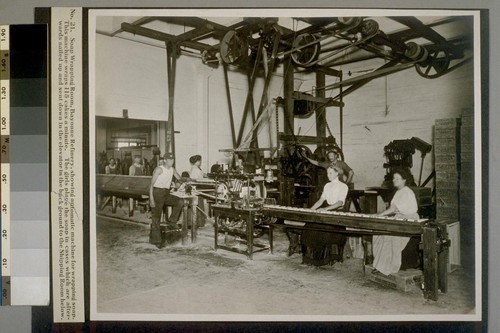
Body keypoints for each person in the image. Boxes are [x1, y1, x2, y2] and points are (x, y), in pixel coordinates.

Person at [293, 166, 349, 265]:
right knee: (309, 227)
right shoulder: (327, 185)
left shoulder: (343, 186)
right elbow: (320, 201)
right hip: (326, 211)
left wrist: (325, 209)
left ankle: (321, 260)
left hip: (336, 214)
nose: (328, 175)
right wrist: (309, 210)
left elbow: (340, 203)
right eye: (327, 173)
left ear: (337, 173)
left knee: (322, 229)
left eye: (331, 173)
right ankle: (309, 259)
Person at [372, 169, 420, 275]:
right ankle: (380, 264)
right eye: (393, 178)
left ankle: (386, 267)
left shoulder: (407, 191)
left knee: (390, 235)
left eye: (397, 178)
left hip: (410, 220)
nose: (394, 180)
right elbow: (393, 209)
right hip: (400, 217)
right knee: (379, 233)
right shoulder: (399, 192)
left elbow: (393, 208)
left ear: (404, 180)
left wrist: (380, 215)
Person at [148, 152, 184, 247]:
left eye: (173, 160)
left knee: (180, 201)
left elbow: (179, 178)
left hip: (166, 193)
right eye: (169, 160)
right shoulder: (159, 169)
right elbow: (151, 185)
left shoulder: (172, 169)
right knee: (156, 216)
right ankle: (156, 240)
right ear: (165, 160)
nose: (171, 161)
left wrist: (178, 183)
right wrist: (151, 199)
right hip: (157, 193)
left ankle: (172, 221)